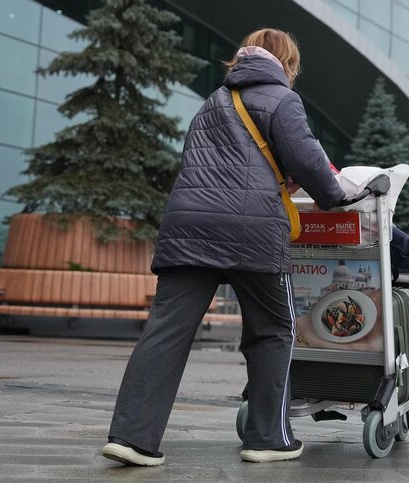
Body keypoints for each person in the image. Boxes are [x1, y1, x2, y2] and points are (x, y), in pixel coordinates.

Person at [102, 29, 348, 467]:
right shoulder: (282, 99)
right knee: (274, 330)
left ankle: (132, 437)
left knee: (165, 332)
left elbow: (217, 164)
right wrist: (335, 195)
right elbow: (307, 158)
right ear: (286, 64)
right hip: (251, 230)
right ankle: (267, 439)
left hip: (189, 227)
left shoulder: (211, 103)